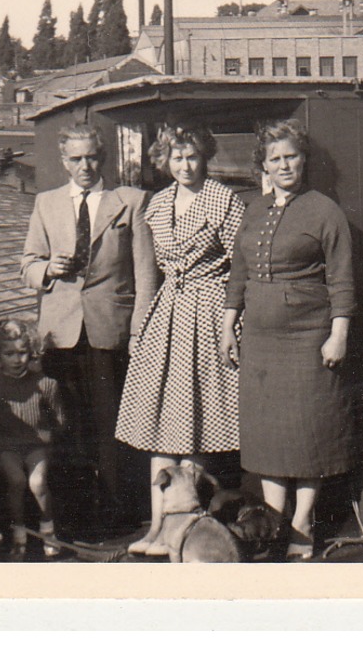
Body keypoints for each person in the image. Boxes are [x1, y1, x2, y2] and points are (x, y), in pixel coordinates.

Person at [224, 121, 355, 559]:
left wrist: (338, 335)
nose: (284, 165)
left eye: (291, 157)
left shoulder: (324, 211)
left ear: (304, 160)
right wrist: (228, 325)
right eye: (275, 159)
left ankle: (301, 524)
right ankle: (271, 520)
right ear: (263, 165)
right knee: (268, 433)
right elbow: (239, 274)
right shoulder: (253, 209)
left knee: (308, 429)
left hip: (307, 336)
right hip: (260, 338)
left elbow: (341, 280)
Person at [116, 121, 245, 556]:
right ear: (164, 162)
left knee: (197, 421)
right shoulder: (157, 206)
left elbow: (238, 268)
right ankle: (156, 528)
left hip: (208, 313)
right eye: (176, 158)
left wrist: (231, 320)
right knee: (159, 425)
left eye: (191, 157)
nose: (185, 165)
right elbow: (149, 273)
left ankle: (183, 526)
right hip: (167, 315)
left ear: (204, 158)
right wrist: (140, 327)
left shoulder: (224, 200)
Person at [21, 123, 150, 530]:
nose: (85, 166)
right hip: (59, 332)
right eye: (75, 159)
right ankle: (75, 516)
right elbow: (26, 264)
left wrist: (139, 329)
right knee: (65, 424)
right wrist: (46, 268)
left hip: (108, 328)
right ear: (63, 162)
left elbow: (146, 274)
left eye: (92, 157)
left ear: (103, 157)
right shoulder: (46, 203)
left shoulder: (129, 202)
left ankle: (117, 516)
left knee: (111, 424)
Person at [0, 318, 67, 560]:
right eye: (9, 353)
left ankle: (48, 531)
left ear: (31, 352)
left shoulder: (46, 385)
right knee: (16, 480)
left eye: (22, 352)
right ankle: (19, 534)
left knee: (38, 482)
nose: (17, 359)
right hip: (5, 446)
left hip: (36, 445)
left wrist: (50, 435)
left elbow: (61, 420)